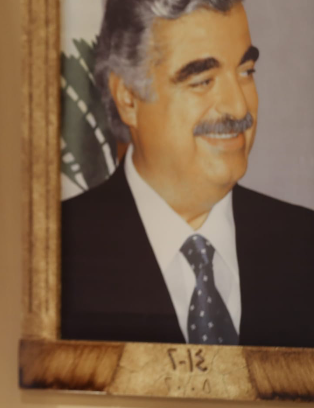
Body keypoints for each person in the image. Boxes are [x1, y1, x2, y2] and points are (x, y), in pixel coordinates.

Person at [61, 0, 314, 347]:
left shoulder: (304, 246)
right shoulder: (57, 256)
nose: (239, 106)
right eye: (202, 80)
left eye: (246, 72)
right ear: (128, 98)